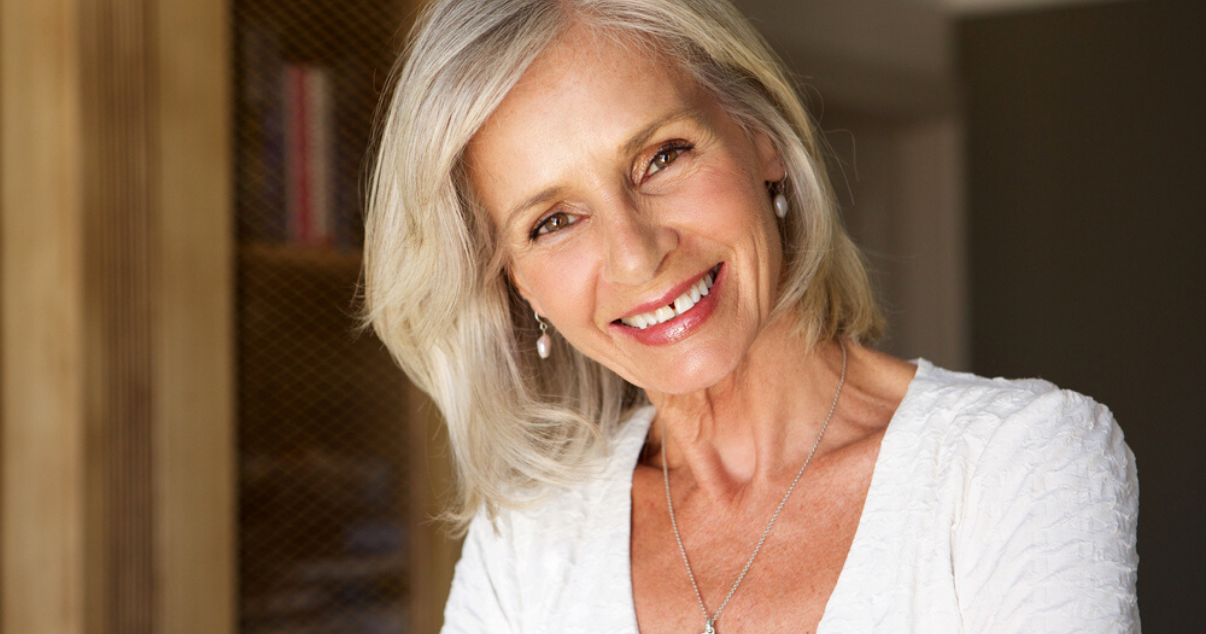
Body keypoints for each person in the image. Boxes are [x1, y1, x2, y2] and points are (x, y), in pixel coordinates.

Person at [362, 0, 1140, 631]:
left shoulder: (1017, 464)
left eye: (662, 156)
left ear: (761, 140)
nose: (636, 255)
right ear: (516, 285)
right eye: (553, 221)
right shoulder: (529, 539)